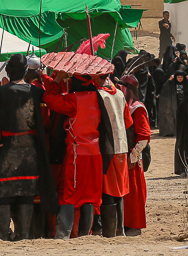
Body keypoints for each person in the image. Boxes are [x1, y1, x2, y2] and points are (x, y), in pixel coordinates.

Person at [0, 54, 56, 241]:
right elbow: (52, 97)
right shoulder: (35, 92)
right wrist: (42, 76)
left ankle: (3, 235)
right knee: (26, 193)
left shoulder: (0, 92)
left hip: (8, 146)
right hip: (30, 148)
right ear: (25, 71)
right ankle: (24, 235)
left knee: (5, 193)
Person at [42, 70, 113, 239]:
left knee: (70, 194)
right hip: (95, 154)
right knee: (90, 195)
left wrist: (56, 80)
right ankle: (85, 234)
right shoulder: (99, 97)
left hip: (76, 154)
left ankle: (64, 233)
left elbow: (49, 99)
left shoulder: (73, 100)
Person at [96, 73, 134, 238]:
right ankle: (120, 230)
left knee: (109, 189)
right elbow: (128, 121)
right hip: (122, 144)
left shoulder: (99, 94)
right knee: (120, 188)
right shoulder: (119, 93)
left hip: (107, 146)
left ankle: (110, 231)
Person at [119, 75, 150, 236]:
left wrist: (133, 156)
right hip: (121, 155)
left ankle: (134, 225)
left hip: (132, 157)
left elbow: (144, 136)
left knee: (134, 194)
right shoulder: (123, 106)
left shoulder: (137, 108)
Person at [158, 67, 188, 137]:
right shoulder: (172, 84)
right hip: (175, 103)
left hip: (183, 102)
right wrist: (169, 80)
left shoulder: (186, 84)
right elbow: (165, 88)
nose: (180, 78)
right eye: (178, 77)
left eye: (181, 77)